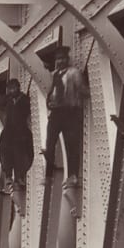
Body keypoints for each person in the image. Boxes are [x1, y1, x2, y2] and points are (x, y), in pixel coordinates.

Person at [44, 45, 87, 179]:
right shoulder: (54, 75)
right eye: (58, 59)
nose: (60, 61)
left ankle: (73, 174)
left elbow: (82, 90)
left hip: (70, 112)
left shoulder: (74, 73)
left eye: (62, 58)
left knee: (71, 144)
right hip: (56, 112)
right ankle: (49, 173)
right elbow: (50, 92)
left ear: (67, 59)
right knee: (49, 144)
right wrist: (49, 103)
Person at [0, 68, 34, 188]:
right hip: (10, 132)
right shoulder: (8, 99)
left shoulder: (24, 100)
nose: (12, 90)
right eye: (10, 88)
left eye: (14, 88)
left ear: (18, 88)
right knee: (5, 151)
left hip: (21, 132)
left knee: (20, 154)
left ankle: (20, 177)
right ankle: (8, 175)